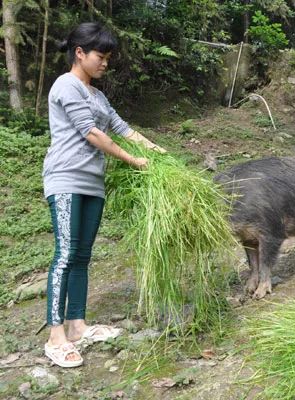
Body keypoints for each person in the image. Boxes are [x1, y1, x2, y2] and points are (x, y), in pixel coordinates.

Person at [42, 22, 166, 368]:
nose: (105, 63)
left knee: (82, 255)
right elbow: (92, 133)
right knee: (65, 254)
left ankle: (78, 326)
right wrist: (130, 159)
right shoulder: (66, 85)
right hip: (65, 179)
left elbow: (122, 128)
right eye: (101, 56)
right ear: (79, 53)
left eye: (109, 58)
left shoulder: (98, 95)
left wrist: (156, 151)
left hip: (93, 184)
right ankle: (56, 336)